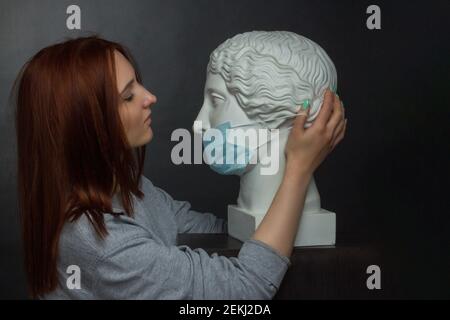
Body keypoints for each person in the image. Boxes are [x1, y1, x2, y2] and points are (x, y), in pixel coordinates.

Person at [12, 35, 346, 299]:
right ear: (86, 124)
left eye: (138, 84)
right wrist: (299, 168)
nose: (150, 97)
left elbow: (213, 233)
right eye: (128, 96)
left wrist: (262, 207)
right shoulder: (99, 241)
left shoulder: (129, 189)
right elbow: (244, 292)